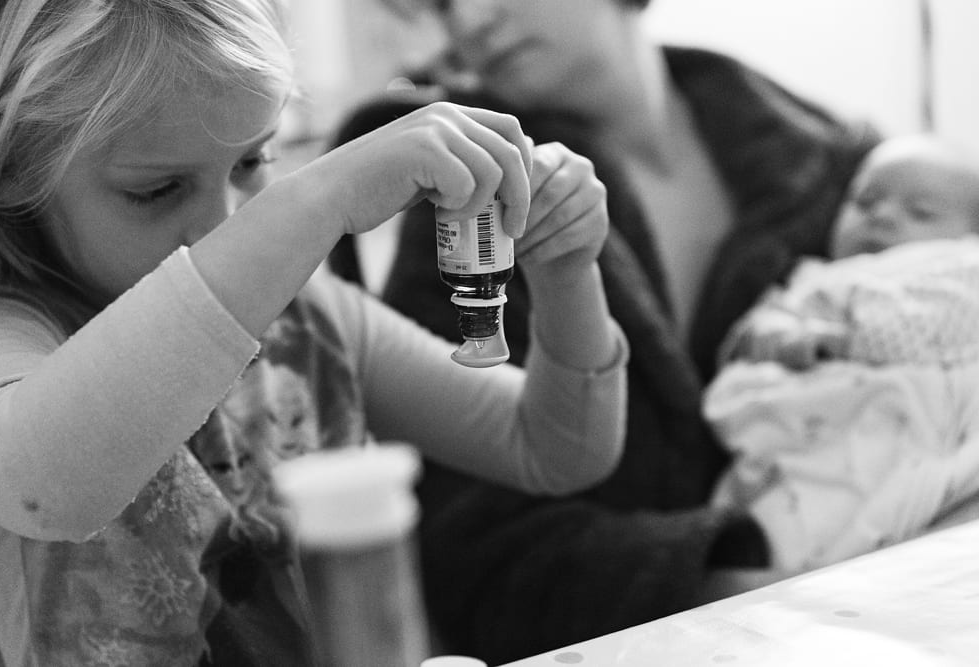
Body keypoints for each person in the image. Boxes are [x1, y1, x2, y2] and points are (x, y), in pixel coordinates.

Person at [0, 0, 631, 664]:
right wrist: (318, 199)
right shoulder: (6, 342)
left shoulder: (310, 318)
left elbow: (554, 447)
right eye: (158, 190)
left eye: (253, 162)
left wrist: (566, 269)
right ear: (16, 178)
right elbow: (44, 485)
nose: (226, 223)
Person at [328, 0, 882, 661]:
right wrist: (758, 596)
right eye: (444, 4)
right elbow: (474, 553)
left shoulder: (844, 167)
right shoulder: (478, 206)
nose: (470, 20)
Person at [707, 134, 979, 573]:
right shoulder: (811, 280)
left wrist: (856, 335)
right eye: (865, 201)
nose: (883, 216)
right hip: (823, 446)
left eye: (920, 212)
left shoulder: (962, 269)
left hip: (930, 447)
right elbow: (745, 341)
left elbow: (943, 325)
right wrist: (782, 338)